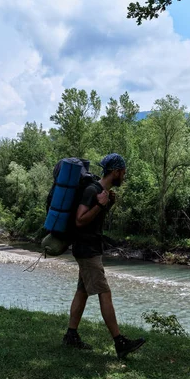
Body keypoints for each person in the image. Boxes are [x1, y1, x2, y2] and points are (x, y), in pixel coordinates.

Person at [62, 153, 146, 359]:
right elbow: (80, 221)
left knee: (82, 291)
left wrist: (106, 205)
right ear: (115, 172)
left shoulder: (103, 193)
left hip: (89, 248)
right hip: (87, 250)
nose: (124, 177)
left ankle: (71, 335)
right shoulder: (93, 191)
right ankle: (120, 342)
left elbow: (92, 220)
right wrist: (100, 204)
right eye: (123, 173)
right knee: (104, 292)